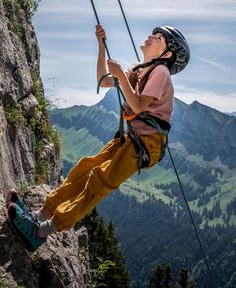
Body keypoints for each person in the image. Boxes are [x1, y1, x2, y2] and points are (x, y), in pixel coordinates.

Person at [6, 24, 190, 251]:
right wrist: (101, 46)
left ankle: (41, 231)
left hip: (145, 145)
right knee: (86, 168)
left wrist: (122, 75)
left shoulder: (160, 72)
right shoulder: (142, 69)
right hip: (133, 139)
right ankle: (38, 214)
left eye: (158, 37)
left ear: (168, 53)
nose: (151, 37)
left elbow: (139, 106)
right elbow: (103, 81)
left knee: (100, 180)